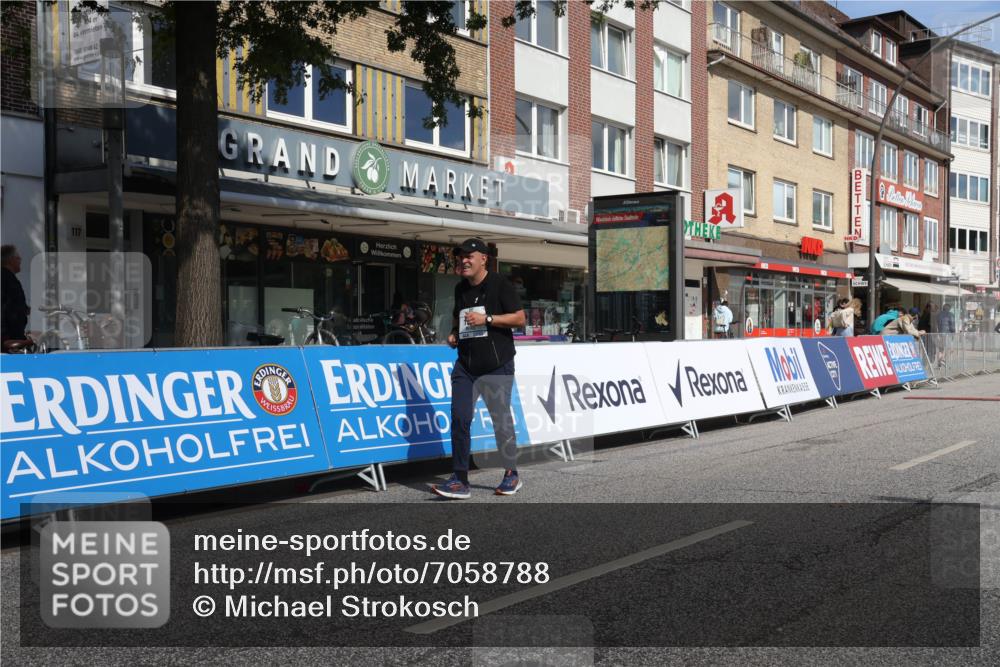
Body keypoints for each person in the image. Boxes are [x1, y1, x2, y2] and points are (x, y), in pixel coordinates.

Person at [432, 238, 526, 500]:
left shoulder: (500, 284)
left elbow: (520, 318)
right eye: (461, 256)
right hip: (466, 366)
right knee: (460, 418)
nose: (463, 260)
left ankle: (511, 473)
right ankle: (460, 480)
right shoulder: (460, 288)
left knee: (500, 419)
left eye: (469, 256)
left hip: (496, 365)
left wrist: (488, 319)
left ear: (483, 259)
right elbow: (458, 318)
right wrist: (454, 333)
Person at [1, 245, 31, 352]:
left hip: (13, 335)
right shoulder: (5, 278)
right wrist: (4, 337)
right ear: (10, 260)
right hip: (8, 338)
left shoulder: (9, 278)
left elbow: (15, 305)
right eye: (18, 257)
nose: (20, 260)